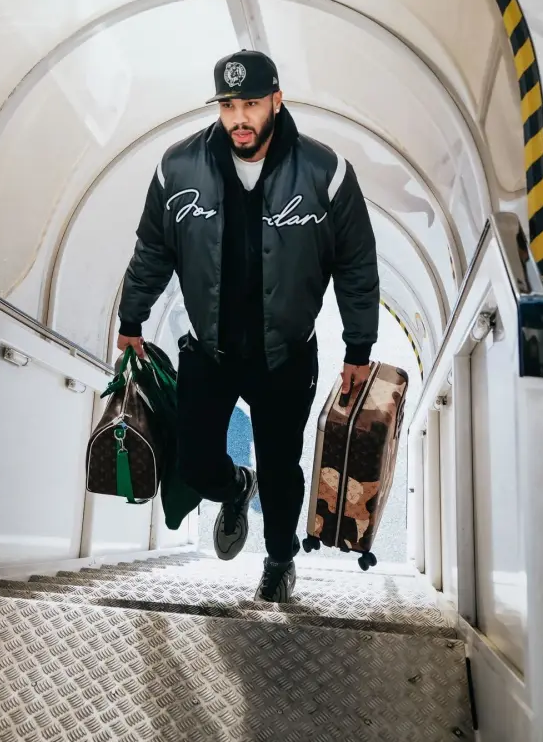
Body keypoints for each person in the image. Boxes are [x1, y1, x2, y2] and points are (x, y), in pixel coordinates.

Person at [117, 49, 379, 602]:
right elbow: (152, 250)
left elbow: (356, 263)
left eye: (252, 104)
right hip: (209, 351)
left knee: (283, 470)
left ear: (276, 102)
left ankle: (280, 559)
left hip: (285, 355)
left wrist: (359, 346)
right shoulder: (177, 168)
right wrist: (131, 316)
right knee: (193, 461)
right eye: (229, 105)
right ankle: (236, 485)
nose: (239, 117)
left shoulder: (325, 173)